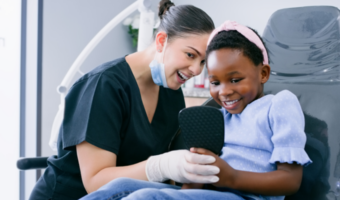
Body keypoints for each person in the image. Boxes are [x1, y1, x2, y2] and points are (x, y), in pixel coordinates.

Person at [81, 20, 312, 200]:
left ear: (263, 73)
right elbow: (198, 178)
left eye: (235, 79)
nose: (224, 92)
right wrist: (184, 190)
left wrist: (232, 178)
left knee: (147, 197)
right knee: (120, 186)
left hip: (246, 195)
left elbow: (291, 180)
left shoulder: (278, 105)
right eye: (215, 82)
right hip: (212, 193)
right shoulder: (220, 116)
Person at [29, 1, 219, 200]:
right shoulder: (104, 86)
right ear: (162, 41)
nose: (197, 70)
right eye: (190, 55)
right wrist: (161, 166)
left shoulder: (171, 93)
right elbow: (95, 182)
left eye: (203, 61)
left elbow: (166, 178)